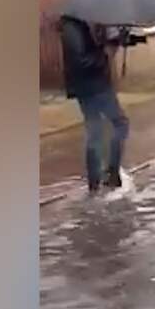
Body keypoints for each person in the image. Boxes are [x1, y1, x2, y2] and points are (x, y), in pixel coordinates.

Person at [60, 16, 129, 193]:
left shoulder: (85, 23)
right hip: (91, 86)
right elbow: (81, 61)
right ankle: (109, 174)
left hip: (95, 84)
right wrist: (105, 53)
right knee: (116, 124)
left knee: (96, 131)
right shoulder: (72, 28)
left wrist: (119, 40)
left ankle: (97, 181)